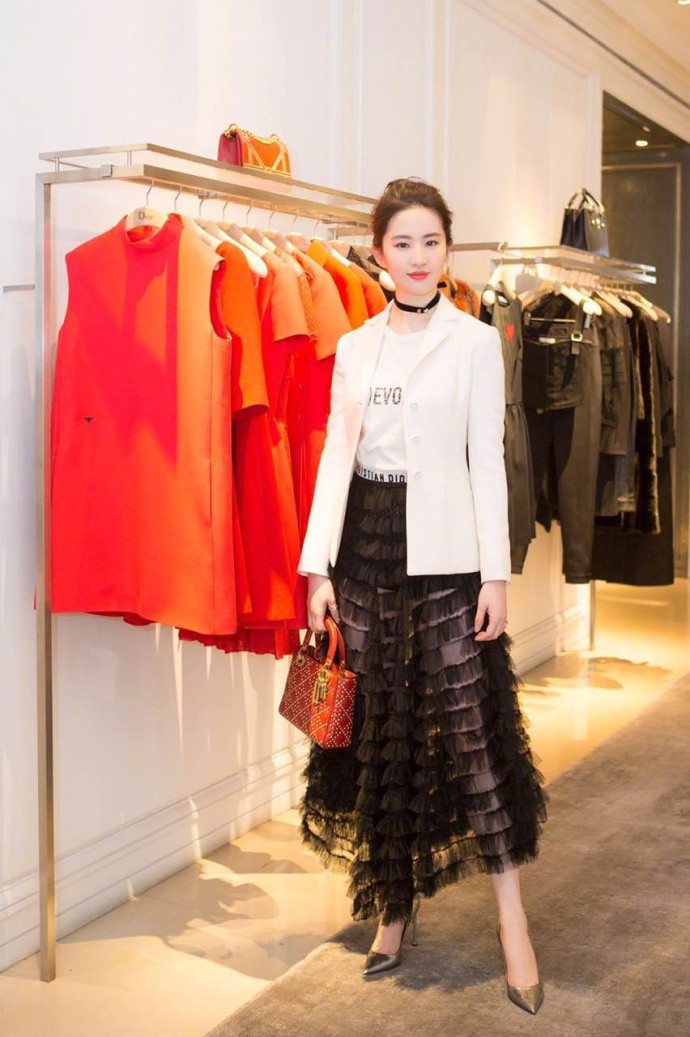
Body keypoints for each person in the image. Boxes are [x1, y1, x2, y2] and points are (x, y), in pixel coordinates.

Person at [297, 178, 547, 1015]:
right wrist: (317, 570)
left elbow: (487, 463)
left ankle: (513, 921)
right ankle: (393, 906)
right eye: (401, 243)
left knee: (471, 730)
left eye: (430, 242)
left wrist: (495, 573)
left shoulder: (475, 342)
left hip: (445, 553)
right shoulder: (355, 346)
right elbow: (337, 457)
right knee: (382, 730)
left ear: (447, 249)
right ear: (378, 254)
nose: (416, 257)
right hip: (365, 546)